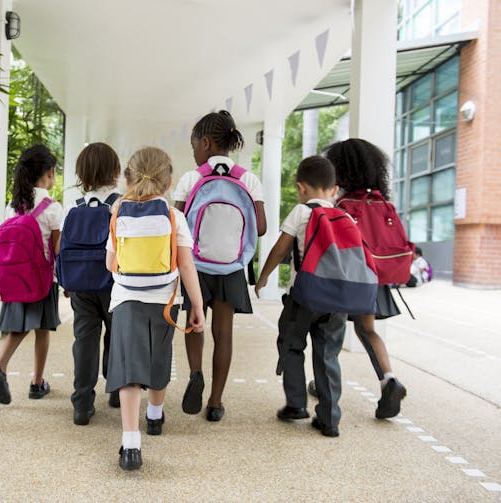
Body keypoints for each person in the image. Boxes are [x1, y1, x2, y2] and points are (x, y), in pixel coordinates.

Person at [105, 147, 205, 470]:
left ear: (127, 178)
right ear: (169, 182)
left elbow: (111, 263)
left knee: (129, 369)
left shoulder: (118, 210)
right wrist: (197, 305)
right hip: (165, 301)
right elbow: (187, 266)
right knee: (159, 358)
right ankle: (155, 416)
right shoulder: (174, 216)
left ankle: (131, 444)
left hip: (126, 300)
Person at [173, 110, 267, 422]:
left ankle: (195, 373)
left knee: (194, 323)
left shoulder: (192, 178)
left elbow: (176, 223)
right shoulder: (248, 179)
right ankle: (215, 402)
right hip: (231, 268)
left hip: (196, 266)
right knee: (223, 334)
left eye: (194, 147)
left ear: (206, 142)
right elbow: (262, 227)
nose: (194, 153)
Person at [255, 156, 346, 437]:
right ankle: (329, 418)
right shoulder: (345, 217)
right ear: (334, 190)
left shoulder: (301, 212)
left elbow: (281, 249)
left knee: (292, 345)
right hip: (337, 299)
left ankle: (296, 404)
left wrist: (264, 275)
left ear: (300, 187)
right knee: (328, 354)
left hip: (303, 296)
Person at [324, 138, 407, 419]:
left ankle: (323, 384)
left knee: (329, 332)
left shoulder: (343, 205)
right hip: (378, 279)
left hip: (348, 281)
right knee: (367, 330)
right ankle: (389, 379)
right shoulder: (382, 203)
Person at [0, 145, 64, 404]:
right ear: (50, 172)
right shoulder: (52, 208)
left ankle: (16, 372)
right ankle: (28, 379)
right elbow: (57, 249)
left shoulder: (14, 205)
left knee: (19, 328)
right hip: (41, 278)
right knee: (40, 330)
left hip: (14, 275)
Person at [63, 142, 122, 425]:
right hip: (114, 283)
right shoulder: (121, 204)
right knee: (117, 336)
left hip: (81, 284)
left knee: (84, 341)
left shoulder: (73, 206)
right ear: (115, 171)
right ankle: (116, 389)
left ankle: (82, 403)